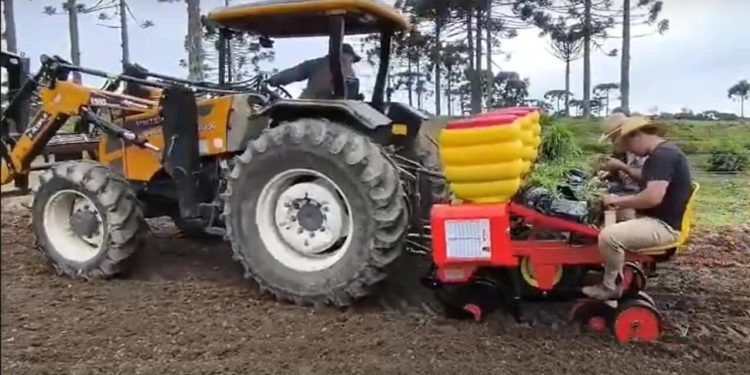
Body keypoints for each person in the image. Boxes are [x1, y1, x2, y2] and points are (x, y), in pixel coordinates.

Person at [582, 116, 693, 300]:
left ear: (637, 136)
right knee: (615, 214)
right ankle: (612, 264)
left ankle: (610, 287)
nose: (630, 151)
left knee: (609, 237)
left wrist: (618, 201)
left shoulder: (662, 156)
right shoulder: (663, 153)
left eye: (628, 146)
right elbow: (645, 180)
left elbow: (652, 198)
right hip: (661, 218)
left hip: (664, 226)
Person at [597, 113, 648, 221]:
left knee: (616, 208)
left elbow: (646, 177)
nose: (613, 142)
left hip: (640, 195)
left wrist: (621, 166)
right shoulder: (623, 152)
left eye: (614, 138)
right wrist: (610, 171)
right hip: (626, 190)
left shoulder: (641, 151)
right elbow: (621, 176)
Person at [267, 43, 361, 99]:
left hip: (309, 106)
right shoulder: (320, 64)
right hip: (333, 111)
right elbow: (295, 73)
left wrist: (275, 79)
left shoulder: (318, 63)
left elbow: (295, 72)